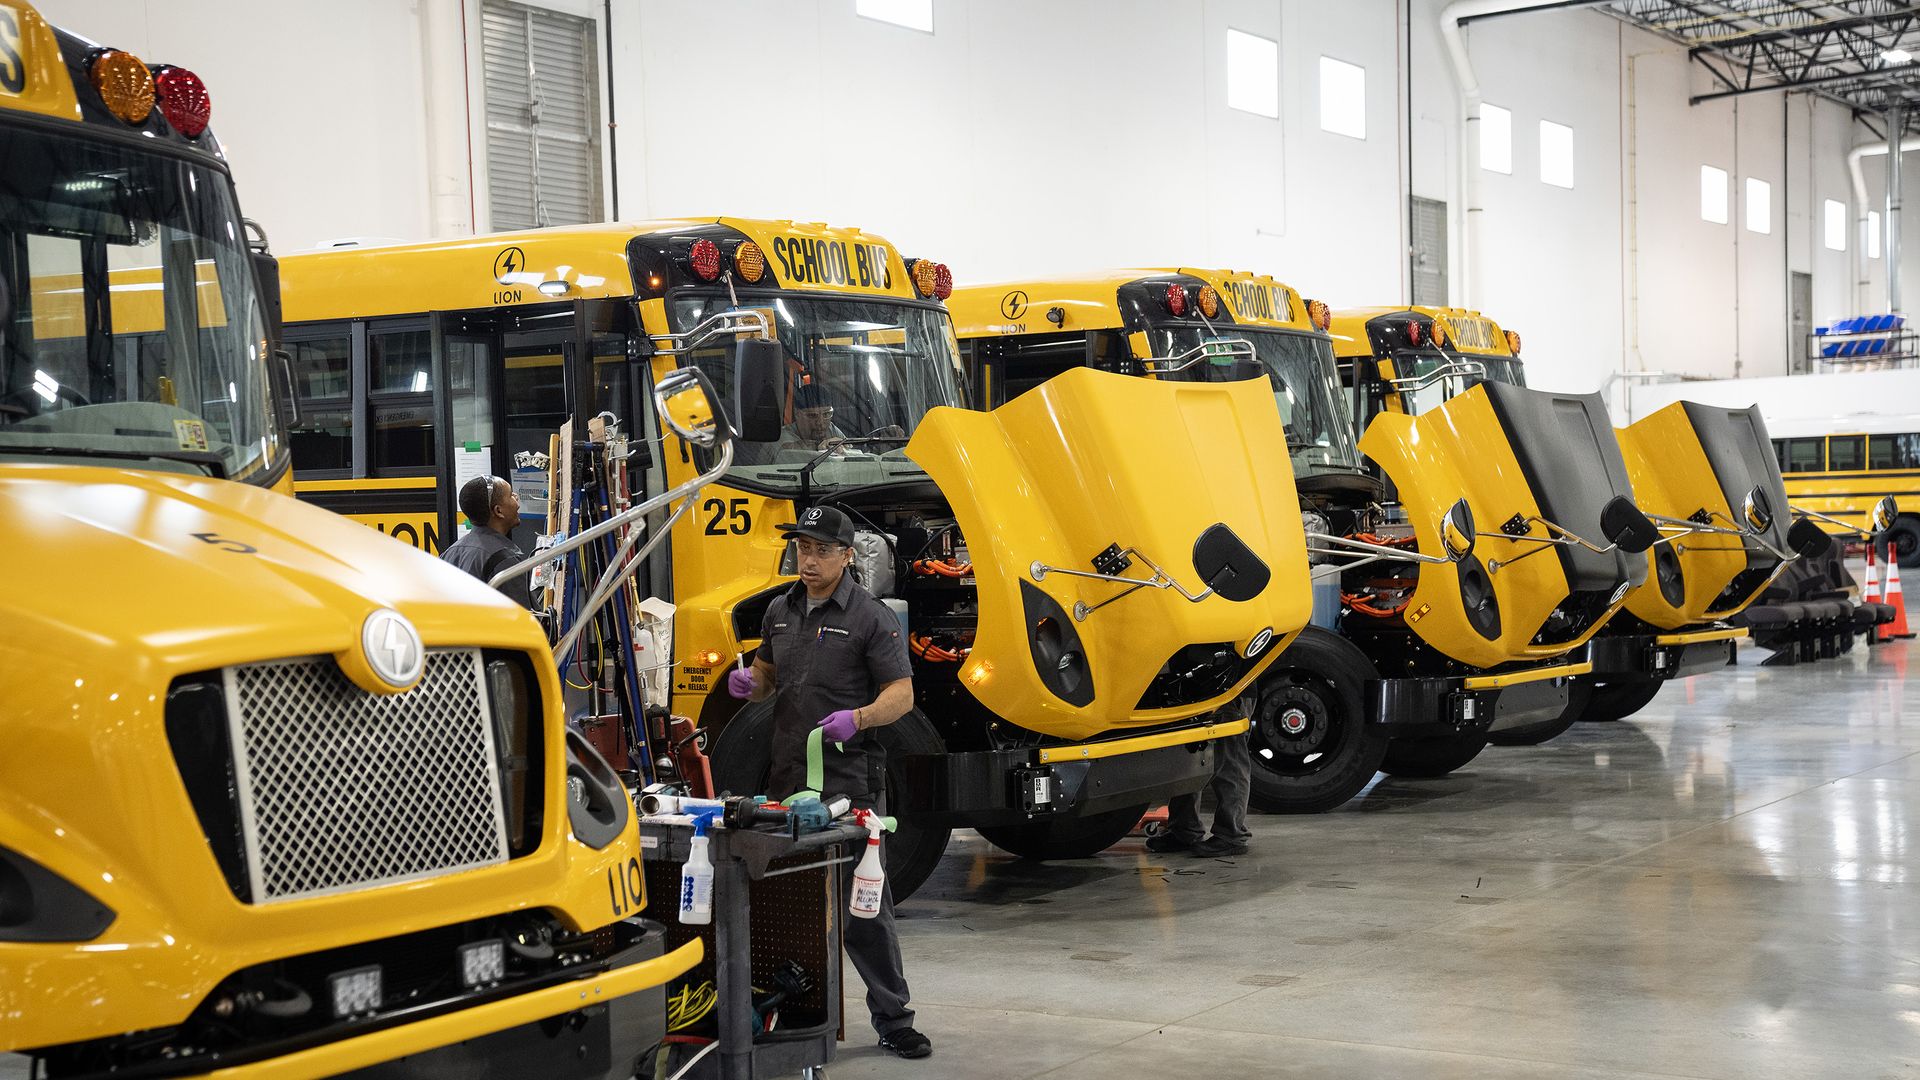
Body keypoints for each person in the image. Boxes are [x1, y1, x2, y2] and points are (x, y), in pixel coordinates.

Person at [725, 504, 931, 1060]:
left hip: (850, 790)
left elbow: (902, 696)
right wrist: (751, 682)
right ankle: (784, 1008)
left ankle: (894, 1018)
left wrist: (859, 718)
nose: (808, 558)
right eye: (802, 547)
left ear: (846, 555)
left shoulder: (870, 618)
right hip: (787, 785)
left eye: (820, 549)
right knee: (779, 903)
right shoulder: (778, 610)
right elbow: (769, 678)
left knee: (866, 909)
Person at [1146, 694, 1254, 858]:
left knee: (1230, 757)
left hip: (1230, 689)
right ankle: (1185, 830)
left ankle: (1232, 834)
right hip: (1195, 689)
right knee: (1187, 756)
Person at [441, 474, 533, 609]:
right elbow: (527, 620)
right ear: (498, 511)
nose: (516, 500)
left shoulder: (449, 554)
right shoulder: (503, 560)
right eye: (510, 496)